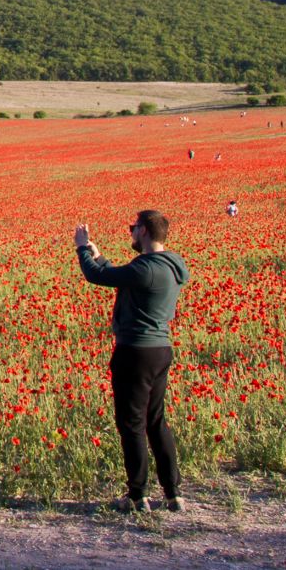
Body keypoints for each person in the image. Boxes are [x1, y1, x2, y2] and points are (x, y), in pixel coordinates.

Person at [74, 212, 189, 513]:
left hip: (135, 352)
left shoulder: (146, 268)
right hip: (161, 350)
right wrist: (101, 257)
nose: (132, 233)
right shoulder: (171, 266)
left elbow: (97, 277)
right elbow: (123, 275)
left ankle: (138, 496)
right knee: (156, 421)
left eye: (134, 228)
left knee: (132, 424)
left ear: (146, 232)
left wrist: (82, 249)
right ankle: (173, 492)